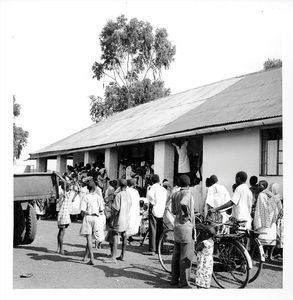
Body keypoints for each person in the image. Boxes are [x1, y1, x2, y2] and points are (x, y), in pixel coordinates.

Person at [170, 175, 195, 288]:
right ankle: (183, 282)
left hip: (177, 225)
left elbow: (173, 210)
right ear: (188, 184)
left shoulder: (175, 194)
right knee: (185, 256)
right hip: (185, 226)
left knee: (176, 254)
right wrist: (187, 215)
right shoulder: (187, 193)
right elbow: (183, 203)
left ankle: (174, 279)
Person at [253, 181, 282, 259]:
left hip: (269, 220)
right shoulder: (263, 195)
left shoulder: (274, 196)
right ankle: (264, 254)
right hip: (266, 220)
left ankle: (268, 255)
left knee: (271, 239)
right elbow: (264, 207)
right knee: (264, 238)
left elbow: (278, 209)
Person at [105, 179, 132, 263]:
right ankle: (122, 255)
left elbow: (116, 209)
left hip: (119, 218)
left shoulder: (119, 195)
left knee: (115, 235)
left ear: (119, 186)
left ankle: (113, 257)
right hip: (126, 217)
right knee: (124, 235)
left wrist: (112, 220)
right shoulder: (128, 194)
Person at [143, 174, 167, 255]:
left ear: (152, 181)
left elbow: (149, 198)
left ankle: (152, 249)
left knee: (153, 229)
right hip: (161, 210)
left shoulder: (153, 187)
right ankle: (159, 247)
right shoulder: (163, 189)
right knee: (160, 229)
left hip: (154, 208)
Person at [79, 180, 102, 265]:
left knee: (88, 239)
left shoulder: (86, 197)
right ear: (95, 188)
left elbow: (82, 210)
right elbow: (101, 209)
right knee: (90, 239)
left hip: (88, 217)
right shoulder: (98, 197)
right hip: (96, 217)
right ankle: (85, 256)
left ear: (87, 188)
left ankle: (91, 258)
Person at [56, 181, 73, 255]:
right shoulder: (63, 194)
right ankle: (61, 249)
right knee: (61, 232)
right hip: (63, 215)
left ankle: (59, 248)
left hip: (65, 214)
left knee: (61, 232)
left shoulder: (68, 194)